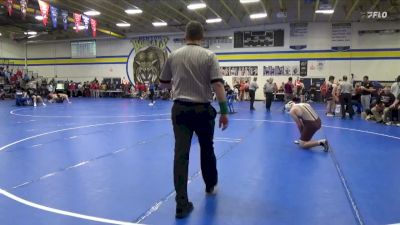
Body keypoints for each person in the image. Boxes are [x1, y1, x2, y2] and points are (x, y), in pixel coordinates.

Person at [159, 21, 229, 219]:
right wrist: (224, 112)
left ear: (185, 36)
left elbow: (163, 86)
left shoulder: (173, 55)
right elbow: (218, 86)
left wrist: (178, 82)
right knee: (207, 148)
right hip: (202, 109)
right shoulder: (209, 56)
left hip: (180, 109)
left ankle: (181, 205)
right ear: (202, 37)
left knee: (180, 155)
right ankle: (209, 184)